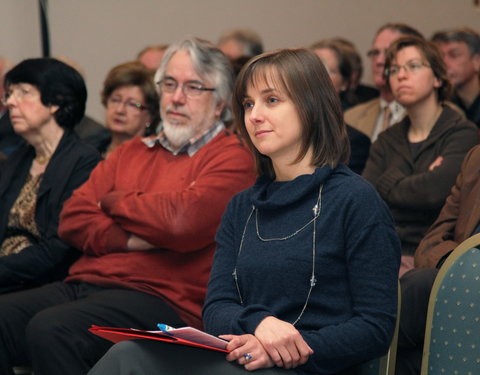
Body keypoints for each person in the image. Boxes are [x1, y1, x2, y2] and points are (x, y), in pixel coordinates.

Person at [88, 48, 401, 375]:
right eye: (249, 104)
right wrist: (259, 324)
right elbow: (217, 307)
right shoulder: (242, 205)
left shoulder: (356, 199)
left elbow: (374, 326)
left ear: (311, 106)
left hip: (310, 365)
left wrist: (283, 349)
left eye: (272, 100)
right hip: (244, 357)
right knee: (129, 354)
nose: (254, 115)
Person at [0, 38, 255, 375]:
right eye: (169, 84)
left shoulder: (232, 157)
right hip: (88, 283)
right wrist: (134, 237)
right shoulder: (131, 151)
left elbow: (180, 223)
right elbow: (73, 219)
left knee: (52, 329)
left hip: (164, 299)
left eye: (194, 87)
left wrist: (114, 200)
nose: (177, 97)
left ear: (221, 101)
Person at [362, 36, 478, 276]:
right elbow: (367, 200)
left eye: (413, 66)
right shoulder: (386, 140)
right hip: (383, 250)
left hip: (430, 256)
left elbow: (434, 193)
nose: (401, 76)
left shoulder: (462, 133)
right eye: (394, 70)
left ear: (437, 77)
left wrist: (390, 181)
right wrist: (421, 177)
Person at [0, 58, 101, 294]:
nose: (11, 103)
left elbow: (58, 250)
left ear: (55, 102)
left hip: (43, 285)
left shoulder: (84, 162)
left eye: (23, 93)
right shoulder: (20, 158)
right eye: (10, 94)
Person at [396, 145, 480, 375]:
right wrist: (458, 272)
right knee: (401, 362)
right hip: (457, 283)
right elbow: (432, 241)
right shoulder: (476, 158)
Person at [344, 23, 423, 141]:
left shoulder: (430, 114)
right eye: (375, 53)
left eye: (389, 53)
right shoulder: (352, 117)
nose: (379, 61)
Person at [311, 39, 371, 173]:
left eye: (327, 71)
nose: (317, 77)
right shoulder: (286, 131)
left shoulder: (353, 141)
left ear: (345, 82)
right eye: (312, 70)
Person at [89, 61, 160, 158]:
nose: (120, 110)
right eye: (115, 100)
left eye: (132, 104)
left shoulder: (153, 159)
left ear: (150, 115)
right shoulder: (90, 147)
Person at [432, 27, 480, 127]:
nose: (444, 63)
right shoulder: (441, 105)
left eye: (454, 55)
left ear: (477, 61)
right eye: (441, 57)